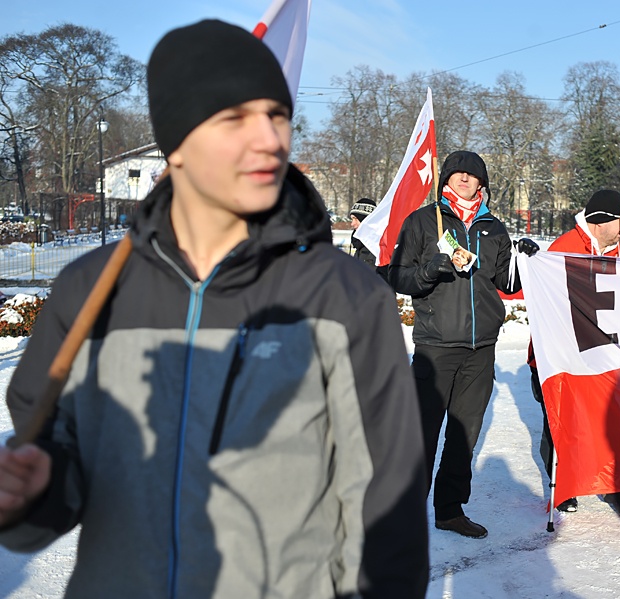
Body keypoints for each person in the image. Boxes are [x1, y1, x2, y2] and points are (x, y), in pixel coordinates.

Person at [0, 20, 429, 598]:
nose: (270, 139)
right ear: (175, 143)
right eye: (235, 119)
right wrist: (31, 494)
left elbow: (386, 511)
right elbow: (51, 469)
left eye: (278, 115)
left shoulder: (344, 296)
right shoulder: (88, 291)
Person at [388, 150, 536, 539]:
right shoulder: (424, 222)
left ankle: (450, 510)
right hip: (436, 346)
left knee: (464, 434)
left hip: (481, 348)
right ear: (445, 180)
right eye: (457, 173)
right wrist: (430, 269)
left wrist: (526, 261)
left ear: (482, 184)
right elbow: (398, 276)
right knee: (422, 431)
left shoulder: (494, 228)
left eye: (473, 175)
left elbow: (507, 283)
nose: (465, 179)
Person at [526, 189, 620, 517]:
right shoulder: (564, 248)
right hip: (560, 352)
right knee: (563, 420)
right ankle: (565, 484)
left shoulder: (619, 251)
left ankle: (614, 486)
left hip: (602, 352)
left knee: (609, 420)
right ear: (603, 220)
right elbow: (540, 299)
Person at [349, 197, 378, 268]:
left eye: (356, 219)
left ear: (366, 220)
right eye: (352, 219)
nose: (352, 224)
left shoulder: (378, 248)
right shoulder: (359, 245)